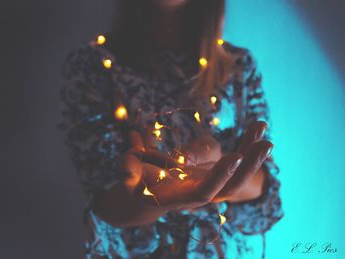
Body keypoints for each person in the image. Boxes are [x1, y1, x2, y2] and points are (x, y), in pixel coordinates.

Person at [57, 0, 284, 258]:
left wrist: (218, 164)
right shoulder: (94, 65)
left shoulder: (235, 66)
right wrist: (155, 197)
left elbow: (264, 196)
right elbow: (105, 201)